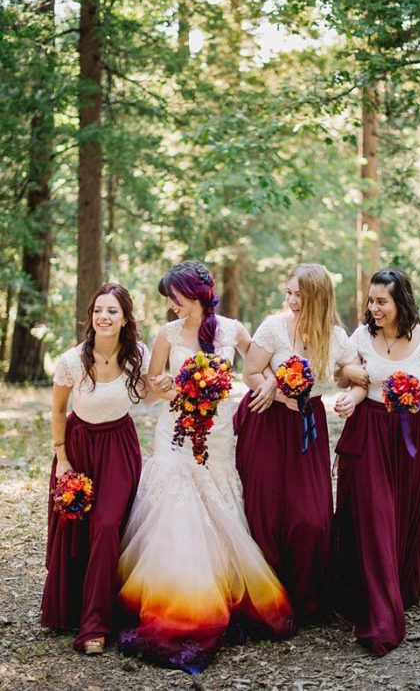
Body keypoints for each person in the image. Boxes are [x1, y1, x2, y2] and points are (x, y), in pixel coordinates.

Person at [117, 261, 293, 673]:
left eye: (175, 298)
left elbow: (257, 366)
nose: (170, 305)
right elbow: (149, 389)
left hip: (217, 435)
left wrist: (273, 382)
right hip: (174, 433)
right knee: (175, 508)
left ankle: (220, 592)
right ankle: (176, 601)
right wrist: (162, 388)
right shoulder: (166, 334)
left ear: (196, 294)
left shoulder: (232, 330)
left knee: (219, 504)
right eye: (168, 299)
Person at [41, 283, 170, 654]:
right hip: (79, 447)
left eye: (112, 311)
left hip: (119, 448)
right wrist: (62, 458)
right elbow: (57, 411)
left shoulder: (138, 355)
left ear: (125, 318)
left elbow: (148, 394)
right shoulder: (71, 361)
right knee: (79, 531)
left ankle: (95, 625)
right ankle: (73, 609)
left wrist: (173, 387)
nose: (104, 317)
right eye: (99, 310)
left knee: (108, 526)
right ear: (90, 317)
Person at [332, 268, 420, 656]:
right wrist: (352, 388)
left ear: (401, 302)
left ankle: (400, 582)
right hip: (368, 433)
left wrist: (416, 401)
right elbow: (343, 372)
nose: (374, 308)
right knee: (375, 513)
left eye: (382, 301)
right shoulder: (362, 336)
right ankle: (381, 613)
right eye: (371, 300)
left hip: (408, 436)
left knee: (401, 510)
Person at [233, 263, 359, 623]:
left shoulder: (335, 338)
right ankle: (266, 603)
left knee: (311, 518)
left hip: (308, 426)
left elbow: (356, 374)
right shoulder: (273, 327)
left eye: (298, 296)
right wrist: (273, 387)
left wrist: (353, 395)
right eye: (288, 293)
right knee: (266, 511)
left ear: (318, 298)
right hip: (267, 422)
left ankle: (306, 599)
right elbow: (250, 373)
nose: (290, 301)